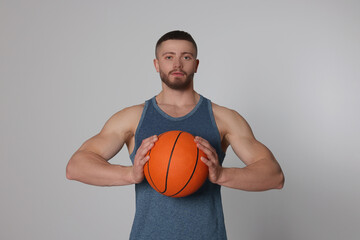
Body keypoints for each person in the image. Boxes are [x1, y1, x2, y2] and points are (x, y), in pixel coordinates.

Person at [66, 30, 284, 240]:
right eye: (169, 57)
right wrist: (130, 175)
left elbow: (274, 176)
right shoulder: (133, 118)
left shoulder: (223, 118)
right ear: (156, 64)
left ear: (196, 65)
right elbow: (76, 166)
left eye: (186, 57)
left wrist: (221, 175)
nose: (177, 64)